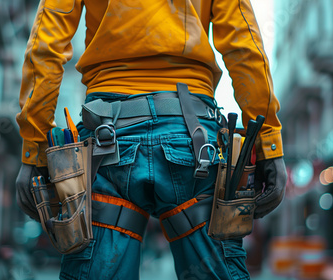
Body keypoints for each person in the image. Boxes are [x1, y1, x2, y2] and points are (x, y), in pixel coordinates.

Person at [15, 0, 287, 279]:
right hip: (192, 139)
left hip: (107, 138)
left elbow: (46, 44)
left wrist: (35, 147)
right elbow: (243, 43)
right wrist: (269, 144)